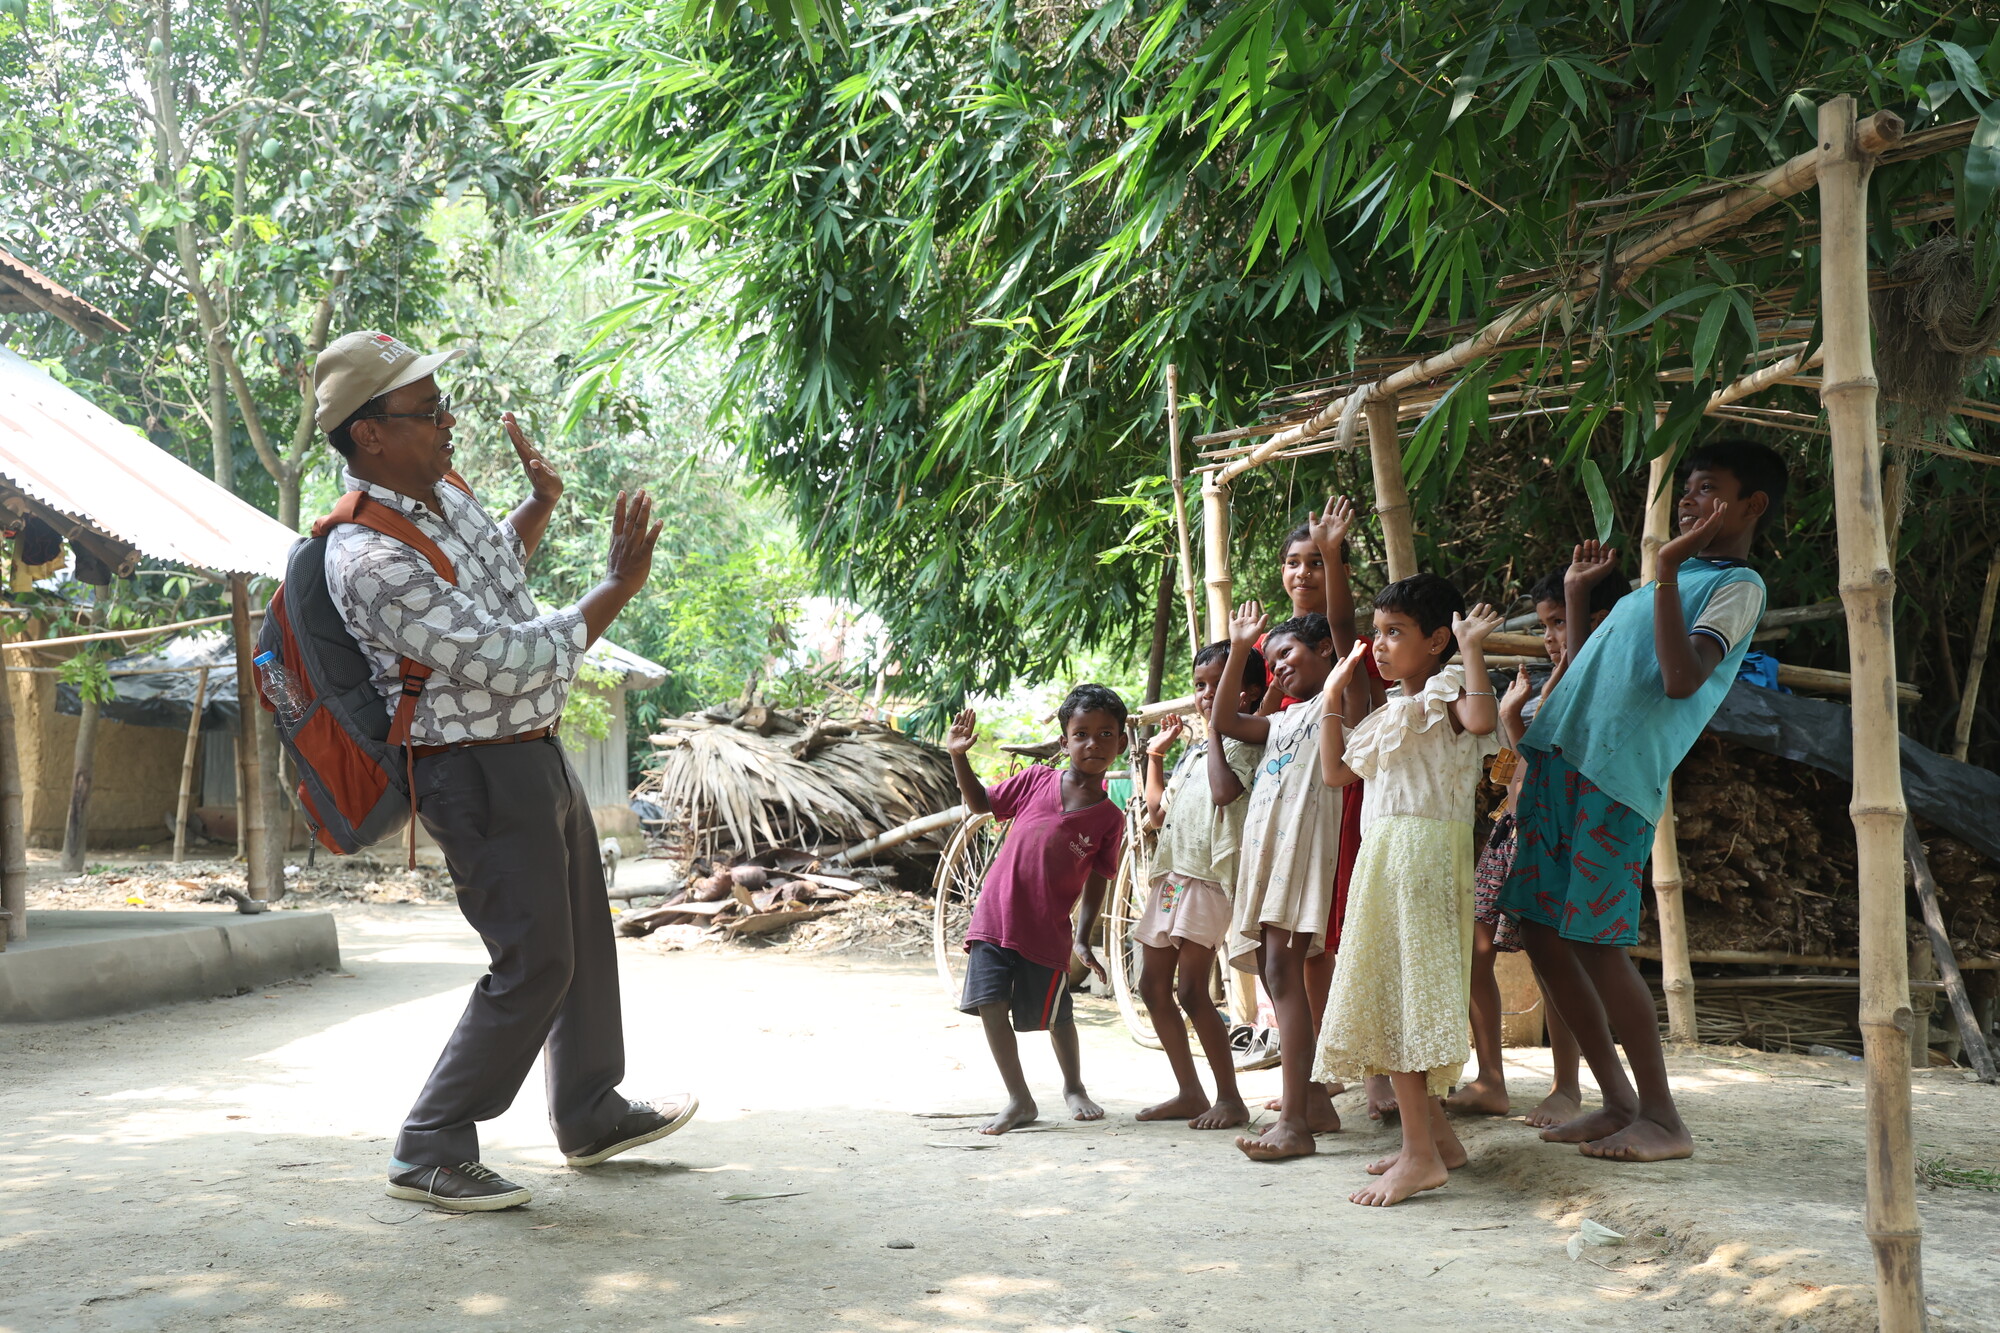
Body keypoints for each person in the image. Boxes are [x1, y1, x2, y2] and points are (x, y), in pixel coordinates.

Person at [313, 331, 691, 1213]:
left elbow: (481, 585)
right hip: (471, 769)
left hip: (531, 750)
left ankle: (589, 1109)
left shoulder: (442, 496)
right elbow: (496, 652)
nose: (448, 424)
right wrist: (614, 590)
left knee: (583, 943)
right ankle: (430, 1141)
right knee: (534, 959)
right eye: (426, 412)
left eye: (444, 405)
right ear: (369, 434)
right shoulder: (365, 557)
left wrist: (537, 508)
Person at [1498, 439, 1786, 1162]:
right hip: (1564, 760)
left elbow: (1682, 677)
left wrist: (1660, 571)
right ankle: (1618, 1100)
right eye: (1686, 490)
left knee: (1596, 940)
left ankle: (1663, 1116)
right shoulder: (1664, 580)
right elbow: (1589, 665)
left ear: (1752, 504)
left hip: (1617, 778)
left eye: (1709, 489)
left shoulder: (1736, 585)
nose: (1690, 501)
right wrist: (1573, 596)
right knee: (1539, 928)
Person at [1312, 575, 1502, 1206]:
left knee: (1401, 996)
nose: (1381, 645)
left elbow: (1480, 720)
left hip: (1422, 855)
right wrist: (1334, 699)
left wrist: (1472, 650)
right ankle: (1438, 1142)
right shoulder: (1395, 710)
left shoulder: (1451, 689)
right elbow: (1337, 773)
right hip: (1387, 856)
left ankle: (1421, 1156)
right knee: (1393, 989)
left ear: (1438, 640)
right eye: (1378, 632)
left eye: (1396, 633)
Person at [1446, 564, 1618, 1123]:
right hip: (1511, 830)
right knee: (1477, 953)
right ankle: (1491, 1077)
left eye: (1559, 622)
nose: (1549, 636)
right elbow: (1525, 765)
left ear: (1599, 621)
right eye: (1545, 624)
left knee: (1553, 962)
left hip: (1555, 837)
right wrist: (1512, 716)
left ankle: (1568, 1087)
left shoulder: (1600, 681)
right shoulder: (1548, 683)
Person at [945, 685, 1128, 1135]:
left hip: (1047, 930)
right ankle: (1019, 1099)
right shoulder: (1035, 781)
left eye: (1106, 734)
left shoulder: (1110, 818)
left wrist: (1084, 937)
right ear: (1063, 742)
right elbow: (981, 803)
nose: (1093, 744)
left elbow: (1100, 879)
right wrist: (958, 757)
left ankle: (1073, 1086)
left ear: (1121, 743)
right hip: (995, 916)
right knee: (990, 1004)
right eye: (1081, 734)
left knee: (1057, 1013)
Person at [1213, 605, 1344, 1160]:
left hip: (1302, 859)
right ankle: (1312, 1102)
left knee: (1283, 975)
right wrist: (1241, 648)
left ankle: (1295, 1123)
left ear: (1328, 654)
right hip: (1269, 860)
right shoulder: (1284, 718)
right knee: (1276, 976)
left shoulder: (1338, 704)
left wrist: (1332, 558)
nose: (1277, 668)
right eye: (1270, 662)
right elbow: (1223, 721)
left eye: (1286, 653)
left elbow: (1342, 625)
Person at [1131, 643, 1265, 1130]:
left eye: (1218, 684)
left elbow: (1225, 792)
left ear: (1247, 695)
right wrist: (1154, 760)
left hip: (1208, 881)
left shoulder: (1246, 744)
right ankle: (1190, 1092)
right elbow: (1158, 813)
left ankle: (1229, 1098)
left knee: (1191, 989)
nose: (1206, 694)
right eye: (1201, 685)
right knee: (1151, 984)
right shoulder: (1194, 751)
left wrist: (1212, 731)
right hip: (1173, 879)